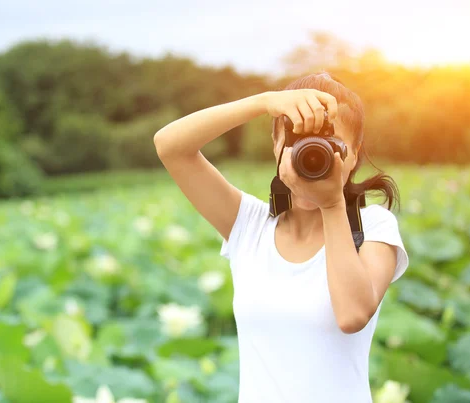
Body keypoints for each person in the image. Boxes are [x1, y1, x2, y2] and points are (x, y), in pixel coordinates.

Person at [153, 72, 409, 403]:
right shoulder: (248, 225)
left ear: (354, 154)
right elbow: (169, 147)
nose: (312, 157)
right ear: (276, 146)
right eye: (296, 143)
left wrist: (331, 204)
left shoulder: (373, 225)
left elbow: (351, 315)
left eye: (329, 146)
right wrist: (263, 102)